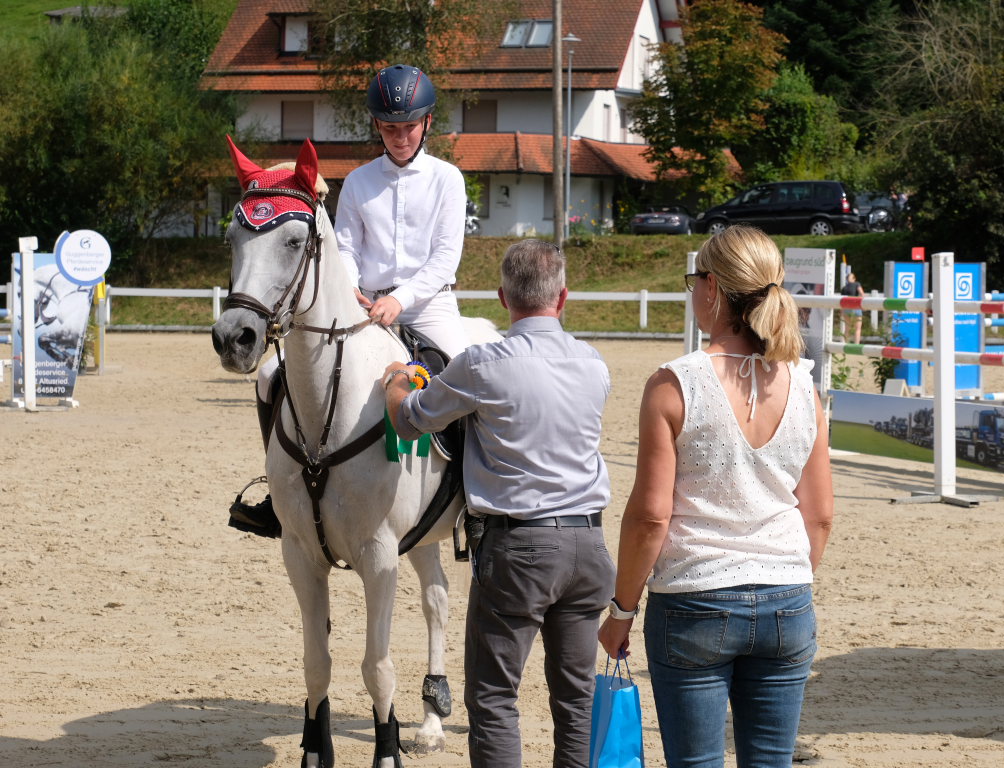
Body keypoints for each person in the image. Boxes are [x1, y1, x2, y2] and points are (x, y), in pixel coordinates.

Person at [598, 224, 834, 768]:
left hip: (695, 598)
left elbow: (650, 518)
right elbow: (819, 517)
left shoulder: (675, 383)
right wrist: (785, 579)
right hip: (787, 597)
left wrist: (622, 610)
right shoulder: (804, 384)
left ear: (712, 288)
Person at [383, 239, 616, 768]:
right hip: (588, 544)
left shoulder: (482, 363)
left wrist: (397, 381)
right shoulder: (594, 363)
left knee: (493, 699)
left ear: (503, 298)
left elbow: (410, 419)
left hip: (520, 549)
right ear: (562, 298)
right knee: (576, 700)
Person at [230, 64, 470, 536]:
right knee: (269, 375)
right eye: (390, 128)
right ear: (376, 125)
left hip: (430, 306)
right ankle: (278, 493)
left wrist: (401, 299)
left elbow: (445, 257)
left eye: (409, 126)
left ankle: (478, 504)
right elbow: (346, 247)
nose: (400, 137)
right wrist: (354, 287)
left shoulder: (448, 178)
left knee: (468, 379)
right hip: (363, 307)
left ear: (427, 123)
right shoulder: (359, 181)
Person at [840, 272, 865, 343]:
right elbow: (862, 294)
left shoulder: (844, 288)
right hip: (855, 307)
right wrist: (862, 305)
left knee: (847, 329)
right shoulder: (857, 284)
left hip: (846, 309)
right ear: (854, 279)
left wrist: (841, 312)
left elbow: (842, 301)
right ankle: (856, 345)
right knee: (857, 329)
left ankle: (846, 344)